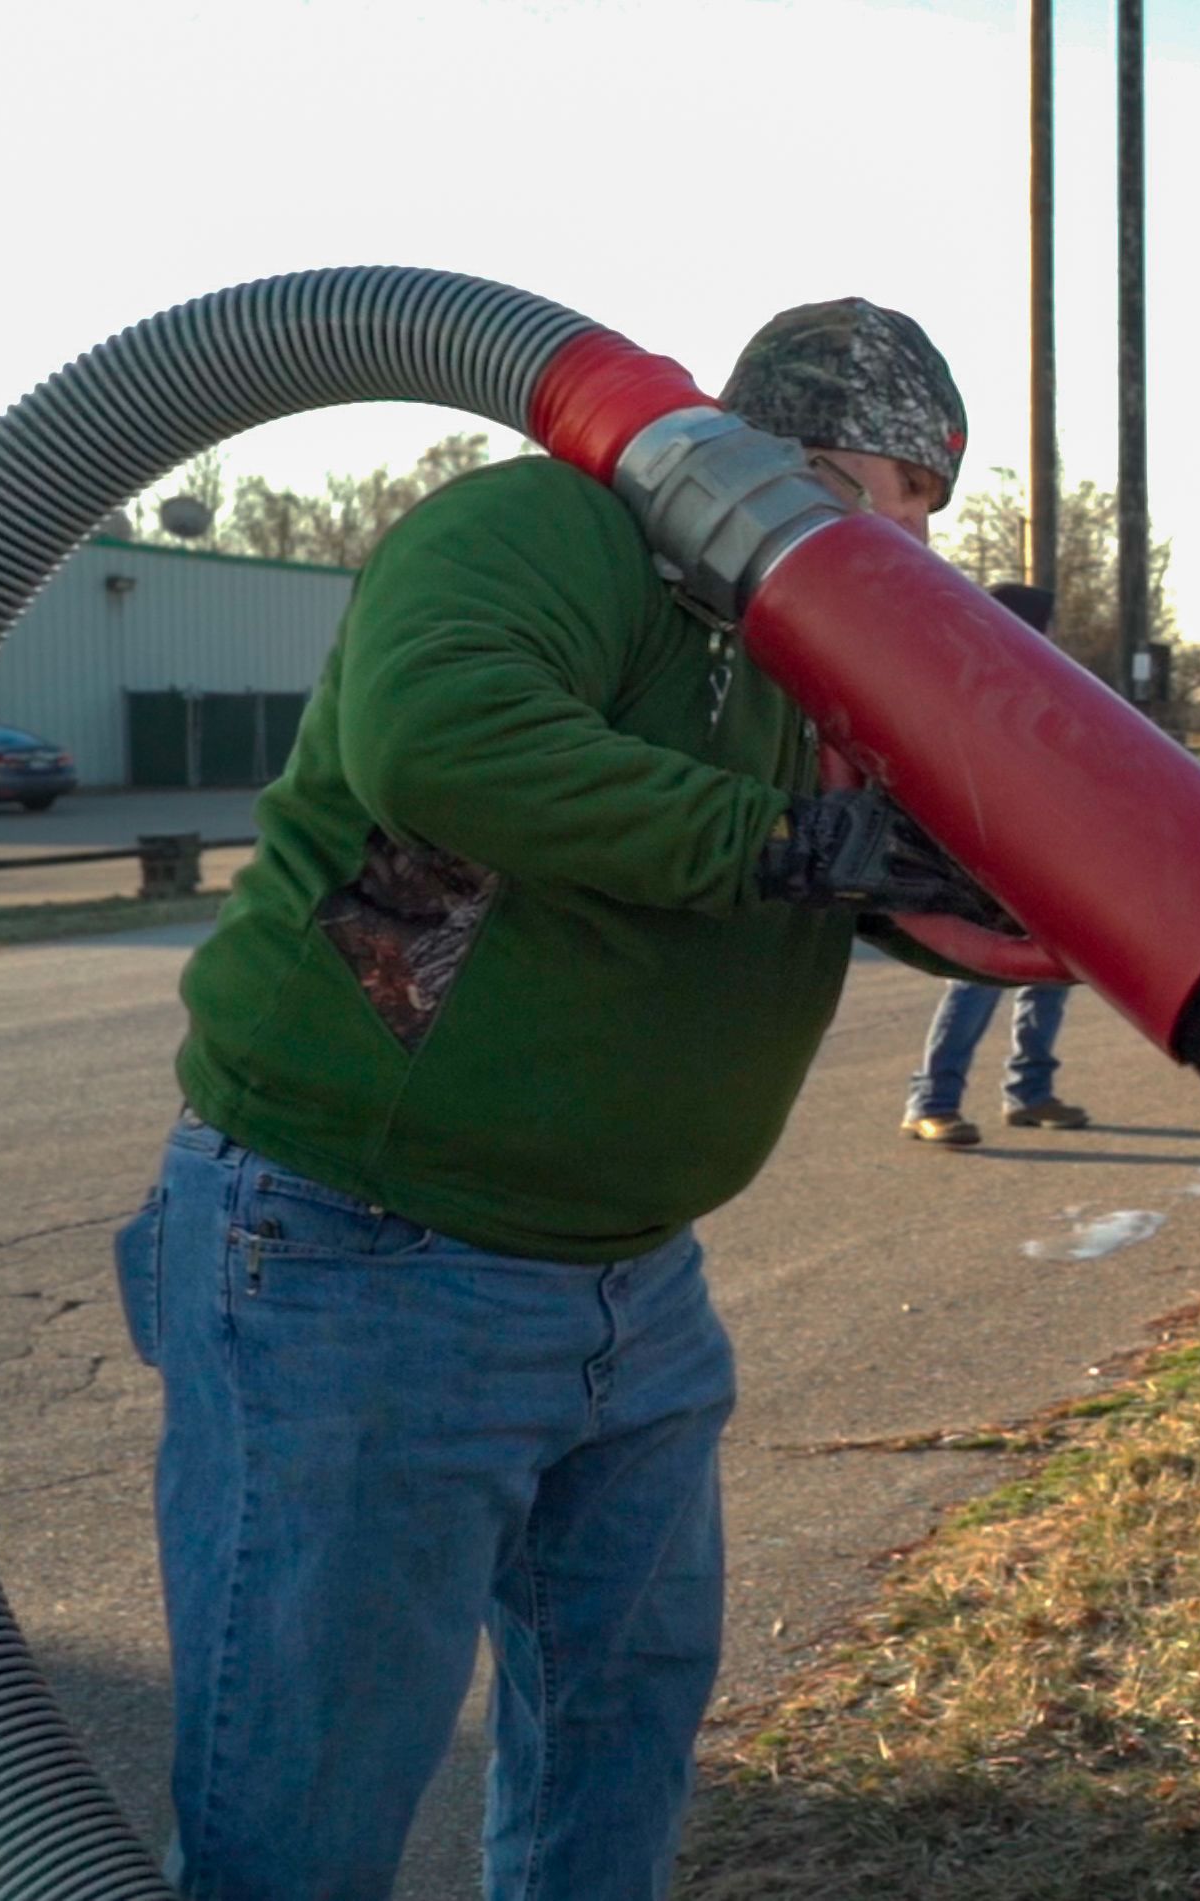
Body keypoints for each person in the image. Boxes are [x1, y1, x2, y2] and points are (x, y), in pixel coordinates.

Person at [113, 297, 981, 1896]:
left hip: (634, 1287)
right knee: (301, 1807)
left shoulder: (823, 664)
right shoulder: (546, 528)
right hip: (358, 1260)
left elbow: (901, 861)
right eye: (895, 493)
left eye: (933, 513)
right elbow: (443, 738)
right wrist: (781, 847)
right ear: (774, 460)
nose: (912, 542)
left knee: (615, 1750)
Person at [902, 580, 1091, 1145]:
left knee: (1052, 973)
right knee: (978, 977)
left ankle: (1029, 1092)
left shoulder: (1043, 687)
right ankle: (931, 1100)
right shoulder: (970, 686)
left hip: (1043, 853)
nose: (1053, 637)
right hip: (983, 855)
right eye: (1045, 626)